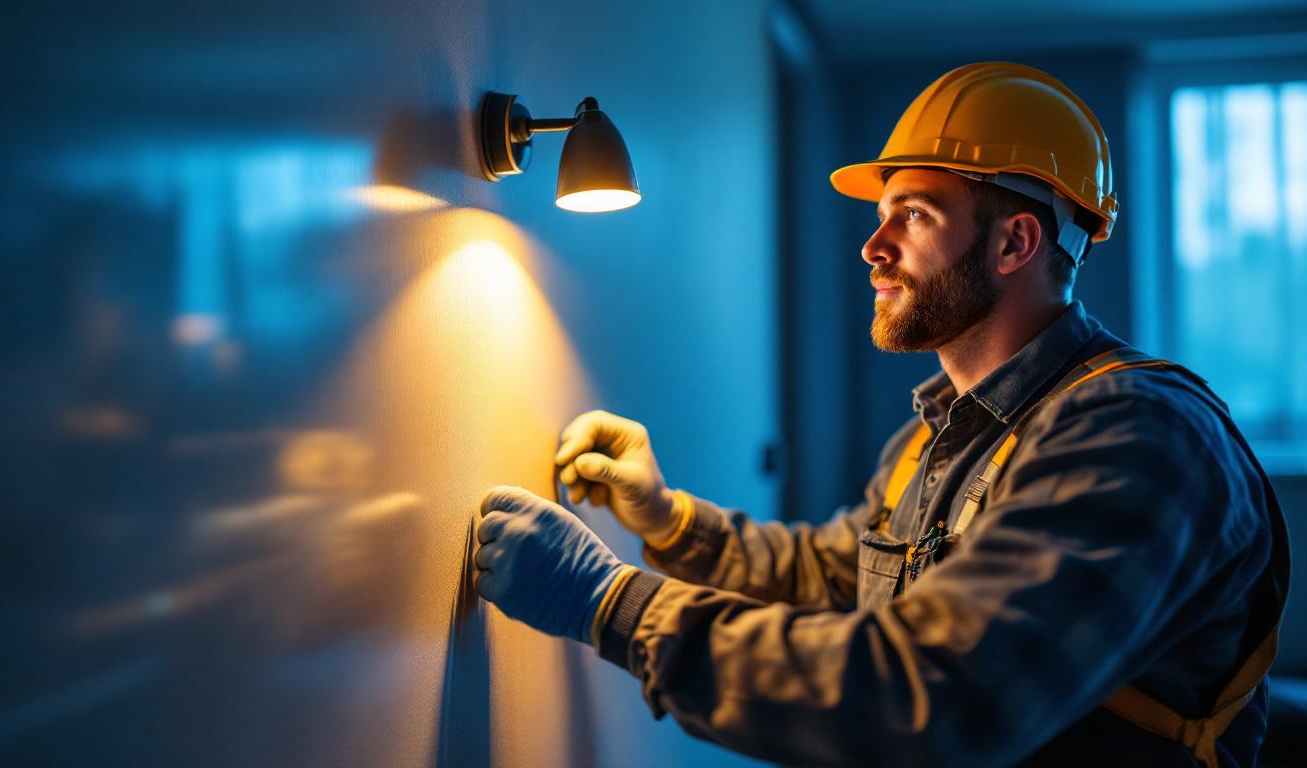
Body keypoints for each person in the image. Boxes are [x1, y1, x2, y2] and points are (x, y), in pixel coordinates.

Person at [470, 62, 1289, 767]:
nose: (874, 245)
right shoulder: (936, 439)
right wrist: (667, 516)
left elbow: (932, 698)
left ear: (1014, 245)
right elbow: (833, 576)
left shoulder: (1138, 437)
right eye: (880, 213)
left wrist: (609, 601)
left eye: (914, 215)